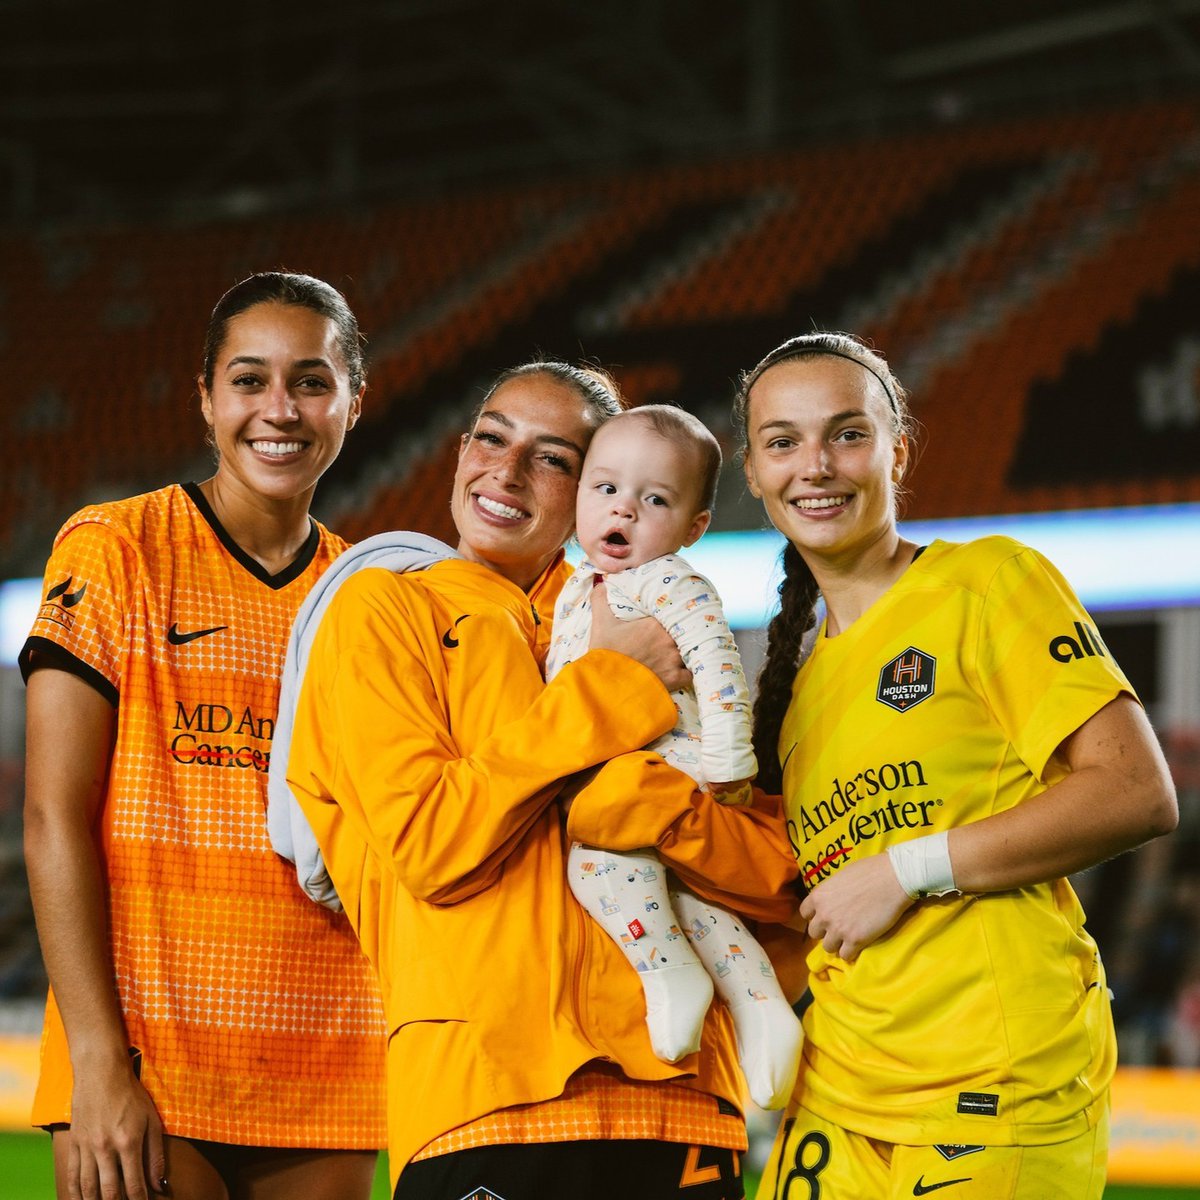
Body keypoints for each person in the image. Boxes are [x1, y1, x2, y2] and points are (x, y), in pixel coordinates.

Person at [280, 360, 800, 1200]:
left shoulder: (665, 613)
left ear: (603, 488)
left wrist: (654, 811)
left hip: (685, 1097)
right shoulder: (380, 613)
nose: (507, 471)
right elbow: (433, 844)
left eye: (554, 458)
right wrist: (610, 684)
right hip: (483, 1096)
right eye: (491, 438)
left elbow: (778, 872)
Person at [735, 331, 1179, 1200]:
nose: (814, 465)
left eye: (847, 434)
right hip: (838, 1094)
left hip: (997, 1084)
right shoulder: (788, 685)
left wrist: (909, 869)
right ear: (753, 473)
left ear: (897, 451)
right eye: (782, 441)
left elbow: (1135, 791)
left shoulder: (987, 580)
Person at [21, 272, 386, 1200]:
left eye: (311, 381)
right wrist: (97, 1061)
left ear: (354, 400)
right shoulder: (116, 546)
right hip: (146, 1061)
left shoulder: (372, 598)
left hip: (330, 1059)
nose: (279, 410)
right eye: (249, 380)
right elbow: (52, 817)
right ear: (205, 397)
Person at [547, 404, 803, 1110]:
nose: (622, 509)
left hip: (666, 764)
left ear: (692, 527)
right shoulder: (577, 588)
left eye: (653, 499)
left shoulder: (668, 581)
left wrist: (729, 757)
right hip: (630, 768)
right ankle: (760, 1007)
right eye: (605, 489)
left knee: (594, 861)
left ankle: (666, 971)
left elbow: (718, 664)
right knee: (695, 897)